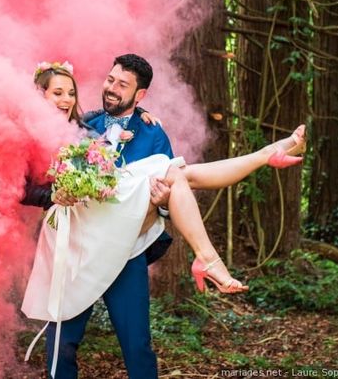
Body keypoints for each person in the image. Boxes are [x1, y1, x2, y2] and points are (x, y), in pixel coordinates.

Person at [21, 56, 305, 379]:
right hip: (80, 249)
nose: (111, 88)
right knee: (62, 344)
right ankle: (260, 165)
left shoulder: (153, 132)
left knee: (138, 345)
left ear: (139, 95)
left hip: (127, 249)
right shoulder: (86, 124)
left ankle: (267, 156)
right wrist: (53, 195)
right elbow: (25, 185)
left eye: (122, 85)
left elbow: (173, 200)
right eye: (110, 80)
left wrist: (164, 201)